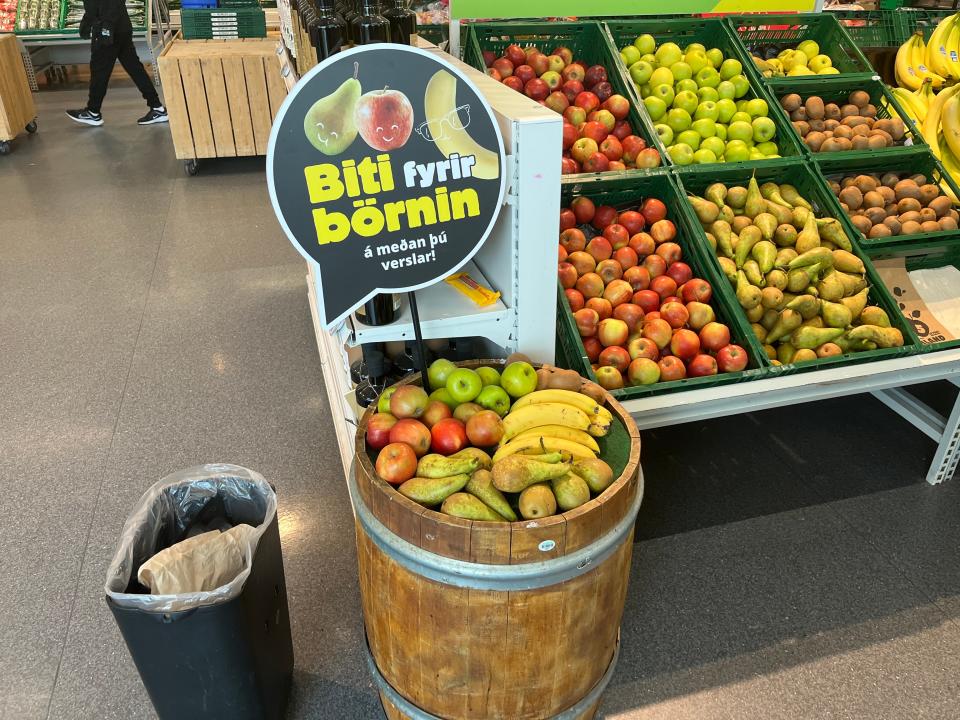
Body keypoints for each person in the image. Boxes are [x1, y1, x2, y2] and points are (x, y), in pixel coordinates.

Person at [66, 0, 168, 126]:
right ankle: (157, 107)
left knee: (99, 70)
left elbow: (94, 6)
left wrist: (89, 25)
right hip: (122, 26)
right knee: (135, 68)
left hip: (107, 28)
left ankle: (93, 111)